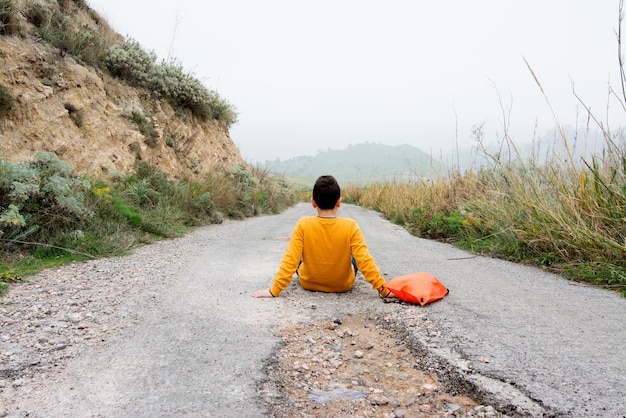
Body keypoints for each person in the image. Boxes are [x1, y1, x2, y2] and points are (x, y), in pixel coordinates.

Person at [251, 175, 394, 299]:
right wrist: (384, 290)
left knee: (298, 258)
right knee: (356, 257)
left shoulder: (303, 224)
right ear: (339, 202)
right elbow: (365, 262)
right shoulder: (351, 226)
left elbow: (290, 260)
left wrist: (274, 291)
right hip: (343, 285)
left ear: (313, 202)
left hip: (308, 283)